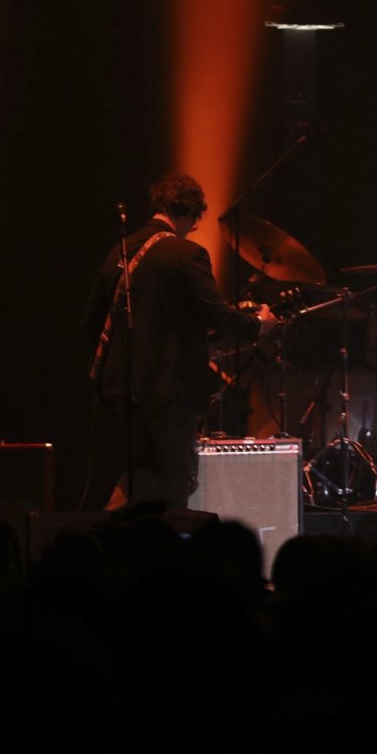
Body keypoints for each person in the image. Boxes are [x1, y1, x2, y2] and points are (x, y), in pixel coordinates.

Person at [85, 173, 277, 511]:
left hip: (115, 393)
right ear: (190, 213)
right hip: (167, 393)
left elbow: (91, 323)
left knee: (126, 482)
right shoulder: (186, 254)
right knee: (172, 486)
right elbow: (213, 313)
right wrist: (258, 326)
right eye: (193, 223)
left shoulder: (118, 251)